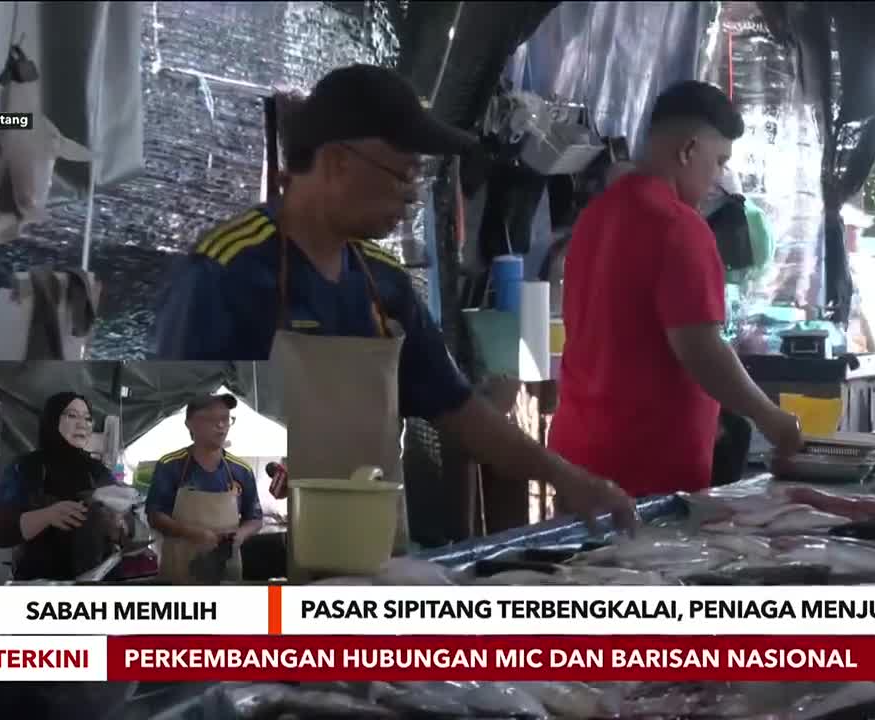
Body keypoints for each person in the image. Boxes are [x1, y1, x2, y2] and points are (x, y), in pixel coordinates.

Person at [152, 63, 636, 533]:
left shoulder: (385, 283)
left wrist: (569, 478)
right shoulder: (225, 272)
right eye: (404, 174)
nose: (410, 196)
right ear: (339, 162)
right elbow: (187, 412)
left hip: (371, 551)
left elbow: (460, 409)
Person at [549, 80, 803, 498]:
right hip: (647, 473)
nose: (718, 176)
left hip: (578, 459)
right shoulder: (680, 226)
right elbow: (701, 350)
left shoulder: (595, 215)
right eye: (718, 160)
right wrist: (771, 418)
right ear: (688, 150)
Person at [0, 392, 119, 581]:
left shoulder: (98, 471)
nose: (82, 424)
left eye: (87, 418)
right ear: (52, 419)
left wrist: (119, 523)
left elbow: (125, 529)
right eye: (72, 415)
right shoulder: (26, 468)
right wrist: (46, 516)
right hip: (37, 586)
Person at [146, 393, 264, 584]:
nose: (221, 425)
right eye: (211, 419)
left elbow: (255, 518)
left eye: (226, 419)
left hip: (227, 571)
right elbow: (155, 516)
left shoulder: (241, 470)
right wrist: (195, 534)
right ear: (190, 424)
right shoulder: (170, 466)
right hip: (179, 570)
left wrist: (240, 536)